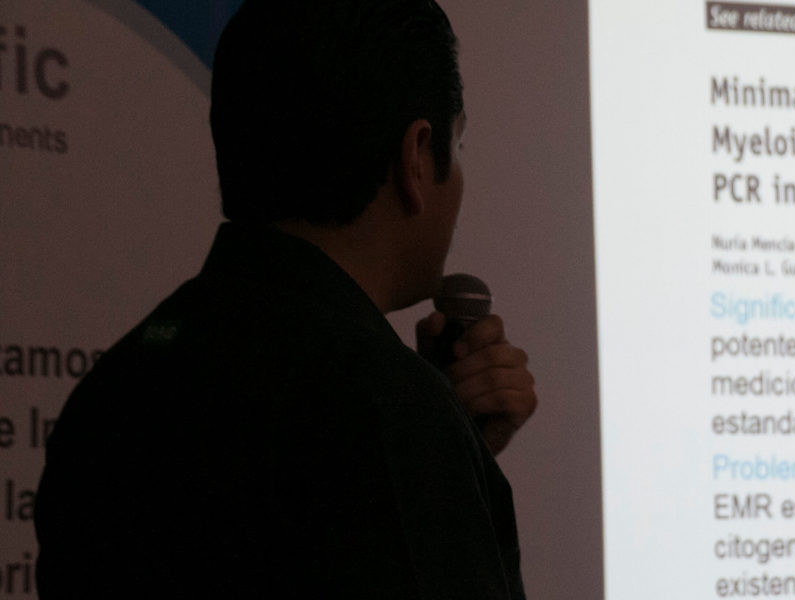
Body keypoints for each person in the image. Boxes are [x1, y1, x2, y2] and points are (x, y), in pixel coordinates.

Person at [33, 0, 536, 597]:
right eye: (460, 143)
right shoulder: (385, 411)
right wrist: (431, 443)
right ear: (416, 157)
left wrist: (451, 451)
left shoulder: (112, 390)